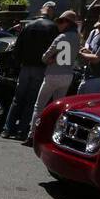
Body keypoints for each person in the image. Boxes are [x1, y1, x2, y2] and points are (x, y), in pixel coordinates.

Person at [1, 1, 59, 140]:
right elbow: (55, 49)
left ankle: (7, 129)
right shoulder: (52, 27)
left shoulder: (29, 25)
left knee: (18, 98)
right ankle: (22, 130)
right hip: (41, 67)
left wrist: (19, 62)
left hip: (25, 67)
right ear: (51, 11)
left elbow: (17, 47)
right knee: (32, 100)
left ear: (41, 10)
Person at [26, 10, 79, 145]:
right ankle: (55, 136)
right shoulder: (78, 38)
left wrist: (50, 59)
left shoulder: (61, 37)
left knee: (39, 106)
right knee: (59, 109)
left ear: (68, 23)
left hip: (53, 74)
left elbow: (45, 57)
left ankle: (32, 135)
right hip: (67, 75)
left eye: (61, 21)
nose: (58, 24)